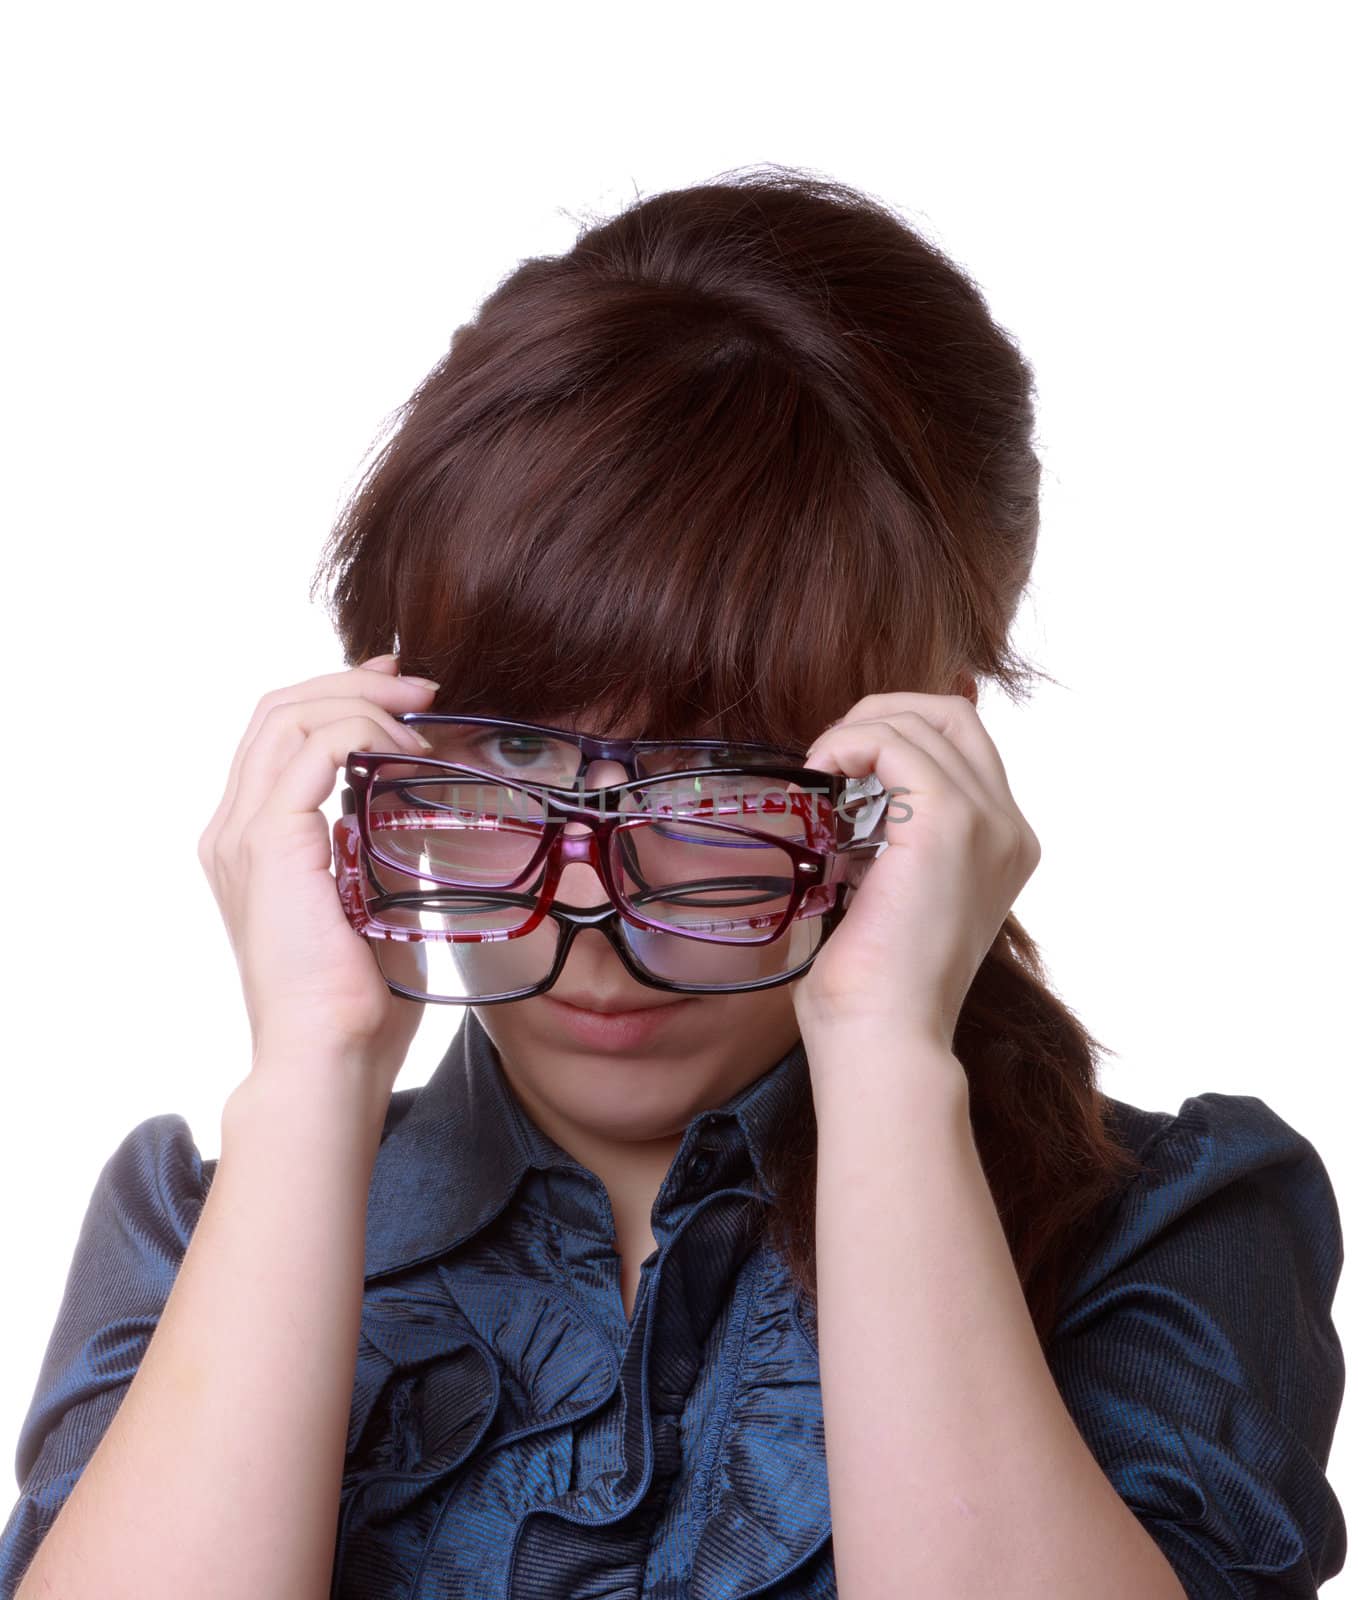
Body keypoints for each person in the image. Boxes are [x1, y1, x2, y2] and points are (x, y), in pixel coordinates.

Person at [0, 166, 1345, 1599]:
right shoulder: (214, 1224)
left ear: (916, 769)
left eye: (715, 793)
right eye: (503, 764)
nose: (587, 922)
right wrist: (315, 1072)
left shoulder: (1175, 1223)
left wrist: (887, 1053)